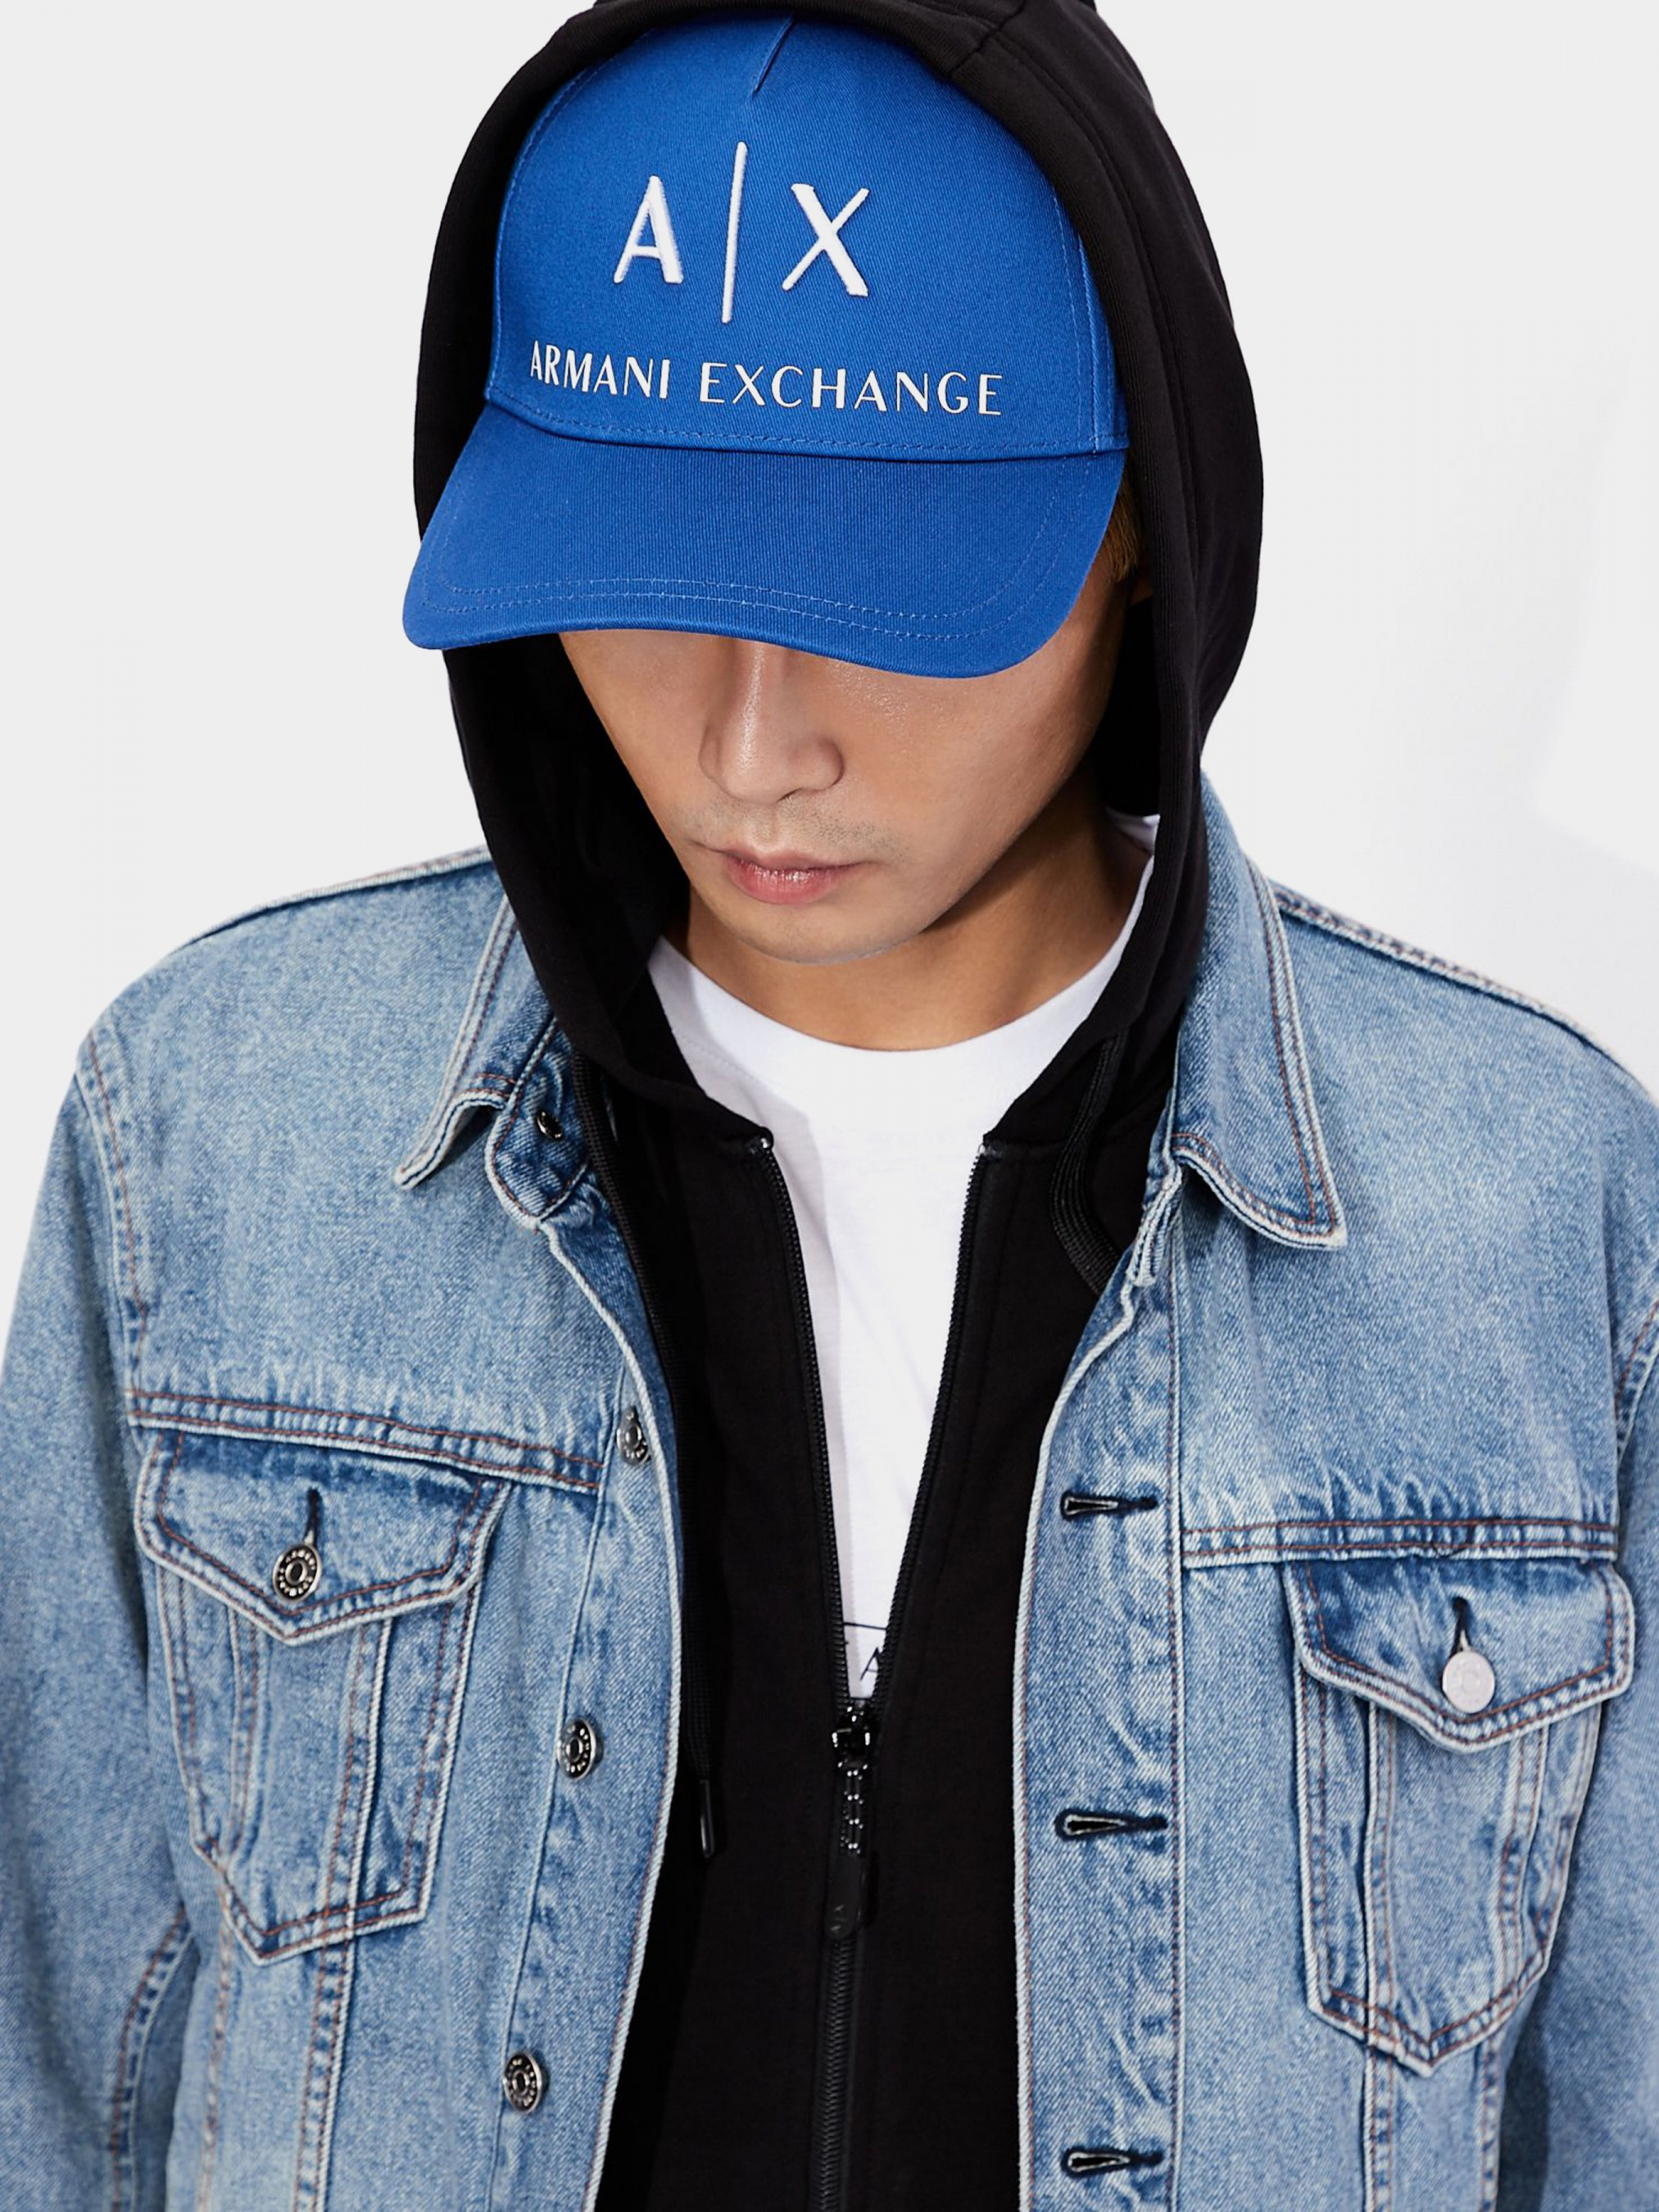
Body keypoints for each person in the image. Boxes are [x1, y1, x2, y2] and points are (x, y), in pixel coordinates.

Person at [1, 3, 1653, 2208]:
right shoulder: (218, 1131)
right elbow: (52, 2093)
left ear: (1141, 525)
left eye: (881, 603)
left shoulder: (1535, 1214)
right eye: (643, 578)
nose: (748, 747)